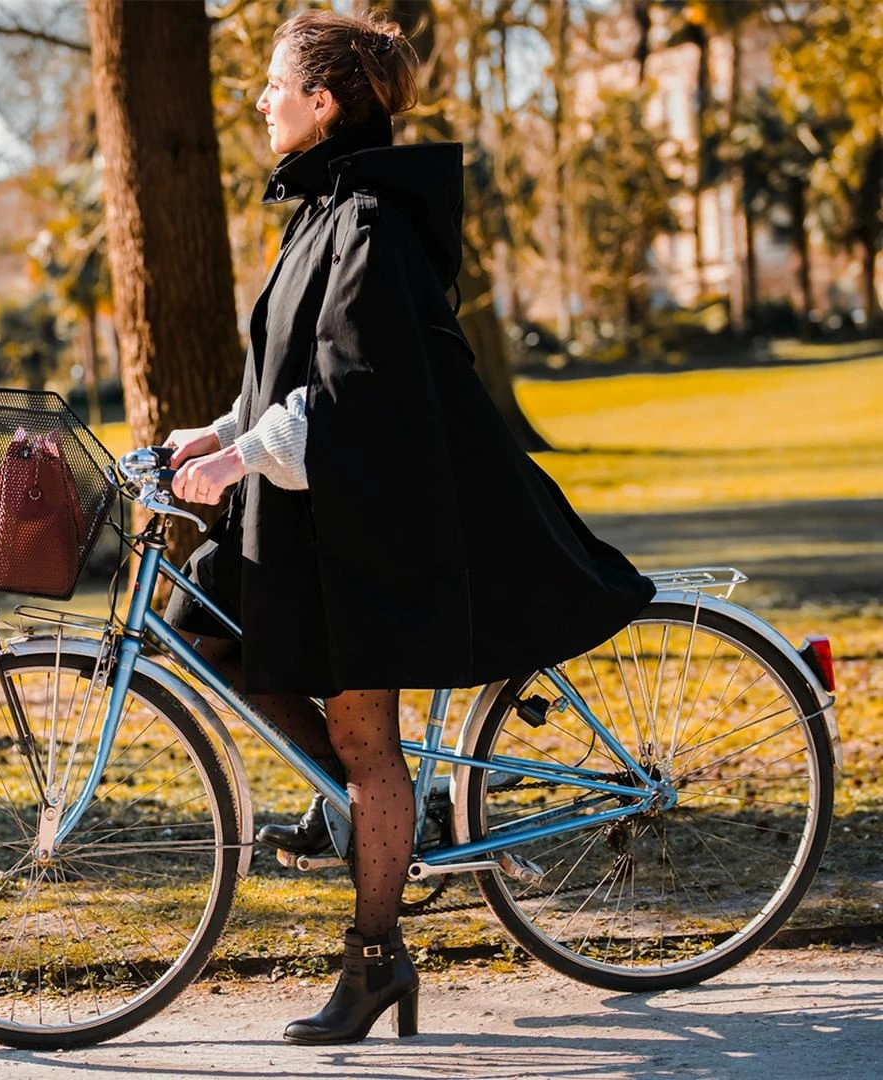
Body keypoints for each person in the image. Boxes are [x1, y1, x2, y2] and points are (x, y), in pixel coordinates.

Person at [161, 9, 656, 1045]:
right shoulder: (327, 208)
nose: (261, 100)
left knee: (362, 737)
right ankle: (362, 808)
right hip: (312, 513)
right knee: (203, 629)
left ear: (323, 102)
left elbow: (357, 396)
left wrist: (235, 460)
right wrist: (213, 432)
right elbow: (293, 371)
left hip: (367, 526)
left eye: (274, 84)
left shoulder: (372, 219)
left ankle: (377, 958)